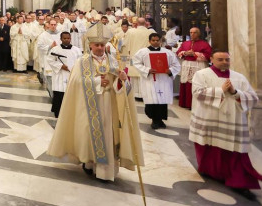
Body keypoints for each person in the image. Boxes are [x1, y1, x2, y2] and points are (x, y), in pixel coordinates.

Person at [47, 22, 143, 181]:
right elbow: (75, 82)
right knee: (88, 134)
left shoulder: (113, 61)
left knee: (108, 136)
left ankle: (105, 171)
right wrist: (97, 82)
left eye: (102, 45)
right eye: (97, 45)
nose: (99, 47)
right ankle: (89, 162)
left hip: (109, 106)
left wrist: (122, 80)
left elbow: (120, 85)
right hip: (88, 105)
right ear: (90, 45)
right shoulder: (82, 61)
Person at [189, 51, 262, 200]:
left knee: (235, 153)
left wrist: (236, 93)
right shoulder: (201, 74)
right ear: (211, 59)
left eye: (227, 59)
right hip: (209, 119)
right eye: (220, 59)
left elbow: (253, 97)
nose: (224, 62)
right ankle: (212, 172)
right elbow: (197, 93)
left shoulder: (239, 77)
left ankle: (240, 182)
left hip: (232, 121)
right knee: (208, 148)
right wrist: (221, 91)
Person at [132, 33, 181, 129]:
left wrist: (170, 71)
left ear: (160, 41)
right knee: (152, 100)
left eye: (157, 40)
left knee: (162, 101)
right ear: (149, 41)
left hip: (163, 80)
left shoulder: (167, 52)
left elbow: (176, 65)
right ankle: (154, 120)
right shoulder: (142, 52)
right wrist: (147, 70)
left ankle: (160, 120)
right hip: (150, 80)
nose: (155, 42)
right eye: (153, 40)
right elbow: (136, 63)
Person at [46, 31, 82, 117]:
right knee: (59, 93)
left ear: (70, 39)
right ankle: (58, 113)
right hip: (60, 75)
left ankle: (70, 113)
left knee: (71, 94)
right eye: (64, 38)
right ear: (61, 39)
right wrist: (61, 66)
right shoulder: (55, 49)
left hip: (72, 75)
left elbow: (81, 62)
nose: (66, 40)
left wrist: (75, 70)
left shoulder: (76, 50)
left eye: (68, 38)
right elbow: (50, 60)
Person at [175, 27, 213, 109]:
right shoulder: (185, 43)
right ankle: (185, 103)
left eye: (194, 32)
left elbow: (209, 55)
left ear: (198, 34)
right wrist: (185, 53)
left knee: (196, 84)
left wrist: (194, 54)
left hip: (198, 65)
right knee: (186, 84)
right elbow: (178, 52)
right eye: (191, 32)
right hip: (186, 65)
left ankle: (194, 105)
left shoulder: (204, 44)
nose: (192, 34)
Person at [36, 19, 60, 91]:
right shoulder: (43, 35)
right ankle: (52, 94)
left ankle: (57, 94)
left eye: (54, 24)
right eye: (51, 24)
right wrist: (50, 47)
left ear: (56, 25)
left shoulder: (60, 34)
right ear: (49, 25)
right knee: (49, 78)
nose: (53, 26)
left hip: (58, 59)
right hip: (48, 59)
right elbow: (39, 46)